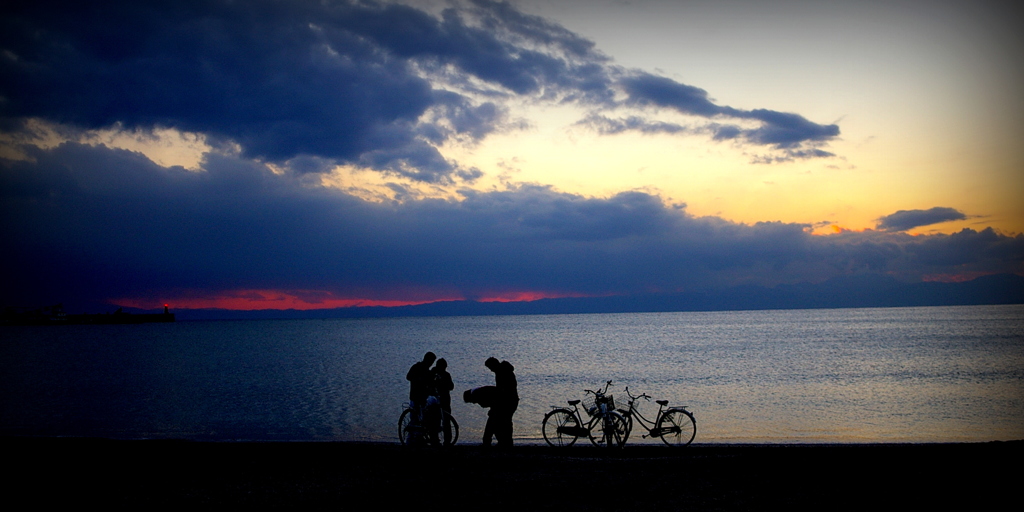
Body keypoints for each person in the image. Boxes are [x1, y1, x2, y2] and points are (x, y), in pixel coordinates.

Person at [483, 357, 519, 447]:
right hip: (510, 400)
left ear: (494, 365)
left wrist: (496, 401)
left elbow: (503, 390)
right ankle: (505, 442)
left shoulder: (501, 372)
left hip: (508, 401)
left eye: (490, 368)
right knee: (504, 422)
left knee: (499, 421)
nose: (491, 370)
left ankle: (501, 442)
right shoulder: (502, 371)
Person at [406, 351, 437, 444]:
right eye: (431, 361)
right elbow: (409, 377)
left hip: (423, 397)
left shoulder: (427, 371)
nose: (431, 363)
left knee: (421, 417)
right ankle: (410, 439)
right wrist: (419, 380)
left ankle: (417, 437)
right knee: (415, 418)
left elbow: (430, 383)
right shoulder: (417, 367)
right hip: (416, 396)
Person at [432, 358, 455, 446]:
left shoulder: (446, 375)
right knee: (436, 421)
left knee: (445, 421)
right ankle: (436, 440)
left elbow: (451, 386)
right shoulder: (434, 374)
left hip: (444, 400)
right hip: (437, 401)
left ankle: (446, 441)